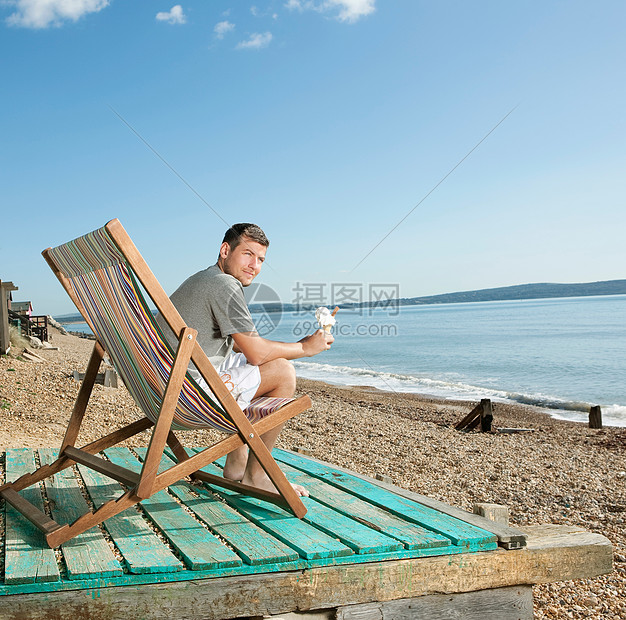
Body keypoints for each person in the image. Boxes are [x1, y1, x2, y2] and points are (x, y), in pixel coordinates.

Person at [157, 223, 333, 497]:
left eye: (261, 259)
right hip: (186, 396)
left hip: (161, 385)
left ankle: (238, 465)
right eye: (248, 254)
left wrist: (267, 350)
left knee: (254, 367)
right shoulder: (225, 284)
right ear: (225, 250)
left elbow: (243, 349)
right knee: (283, 371)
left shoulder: (203, 279)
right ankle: (256, 475)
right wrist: (305, 347)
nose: (254, 265)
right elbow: (256, 353)